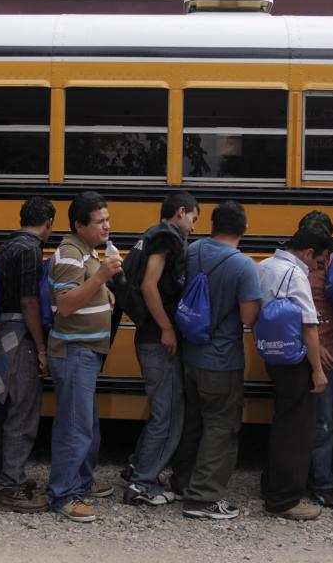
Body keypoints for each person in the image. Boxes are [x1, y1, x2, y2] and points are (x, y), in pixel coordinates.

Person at [170, 201, 262, 521]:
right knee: (221, 427)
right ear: (244, 230)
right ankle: (203, 497)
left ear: (211, 224)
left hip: (190, 354)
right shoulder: (243, 265)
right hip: (222, 360)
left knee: (193, 423)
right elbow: (249, 317)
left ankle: (182, 482)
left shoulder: (193, 250)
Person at [46, 191, 121, 523]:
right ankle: (63, 494)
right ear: (79, 224)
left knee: (87, 424)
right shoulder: (68, 254)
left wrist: (105, 293)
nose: (106, 226)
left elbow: (83, 291)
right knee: (75, 428)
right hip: (74, 351)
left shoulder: (87, 252)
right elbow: (64, 304)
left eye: (107, 219)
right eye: (99, 221)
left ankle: (82, 481)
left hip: (87, 351)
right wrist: (102, 277)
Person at [123, 191, 199, 507]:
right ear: (180, 212)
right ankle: (141, 484)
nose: (194, 227)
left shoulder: (150, 236)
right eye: (194, 217)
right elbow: (148, 284)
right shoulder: (166, 237)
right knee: (168, 415)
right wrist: (167, 327)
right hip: (157, 338)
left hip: (149, 336)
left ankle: (138, 468)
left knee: (162, 410)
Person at [0, 196, 55, 513]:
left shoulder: (8, 245)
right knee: (23, 412)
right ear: (49, 223)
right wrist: (41, 347)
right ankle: (11, 486)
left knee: (4, 406)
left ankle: (3, 472)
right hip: (20, 337)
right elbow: (29, 302)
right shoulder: (30, 249)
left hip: (3, 333)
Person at [259, 222, 330, 520]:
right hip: (295, 360)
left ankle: (271, 487)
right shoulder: (295, 274)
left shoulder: (264, 265)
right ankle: (285, 499)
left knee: (283, 421)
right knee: (297, 431)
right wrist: (317, 370)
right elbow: (309, 329)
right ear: (309, 252)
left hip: (271, 353)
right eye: (319, 262)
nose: (318, 268)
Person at [299, 211, 333, 511]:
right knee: (322, 421)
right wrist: (315, 349)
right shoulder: (300, 269)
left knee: (326, 419)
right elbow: (298, 312)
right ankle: (320, 482)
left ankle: (316, 474)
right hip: (315, 352)